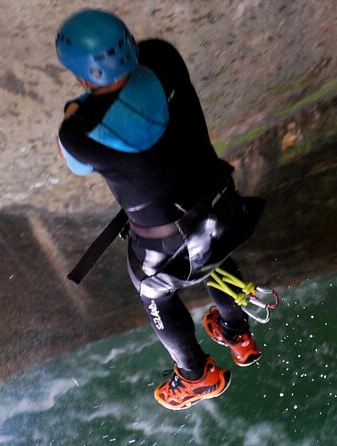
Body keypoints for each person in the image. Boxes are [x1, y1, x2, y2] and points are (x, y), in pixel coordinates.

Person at [55, 8, 266, 410]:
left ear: (81, 74)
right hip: (223, 204)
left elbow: (74, 159)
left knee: (153, 290)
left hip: (170, 241)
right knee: (214, 255)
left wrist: (74, 111)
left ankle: (195, 376)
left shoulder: (78, 131)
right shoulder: (162, 55)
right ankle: (236, 332)